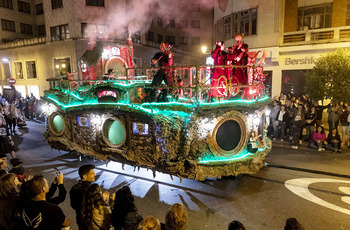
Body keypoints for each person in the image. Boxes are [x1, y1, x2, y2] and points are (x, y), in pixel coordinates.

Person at [70, 164, 96, 230]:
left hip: (79, 219)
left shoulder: (74, 187)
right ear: (85, 176)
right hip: (91, 221)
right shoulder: (91, 189)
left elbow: (73, 205)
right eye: (92, 173)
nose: (95, 175)